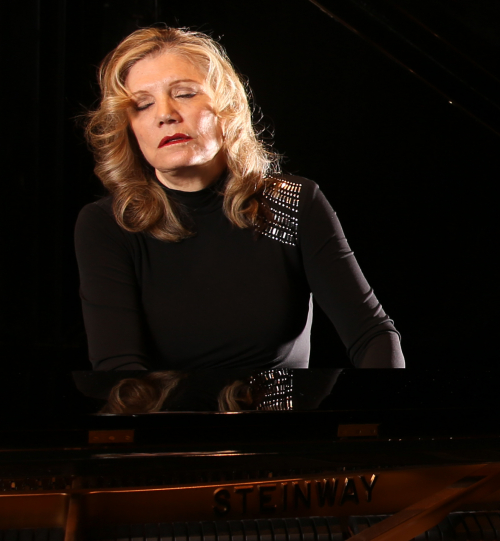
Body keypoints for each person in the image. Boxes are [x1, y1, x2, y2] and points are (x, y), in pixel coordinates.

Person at [74, 26, 404, 371]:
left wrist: (380, 415)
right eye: (142, 105)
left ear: (226, 106)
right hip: (169, 423)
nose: (164, 114)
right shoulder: (107, 224)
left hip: (278, 423)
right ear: (129, 128)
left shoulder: (291, 202)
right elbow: (119, 369)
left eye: (184, 94)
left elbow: (372, 335)